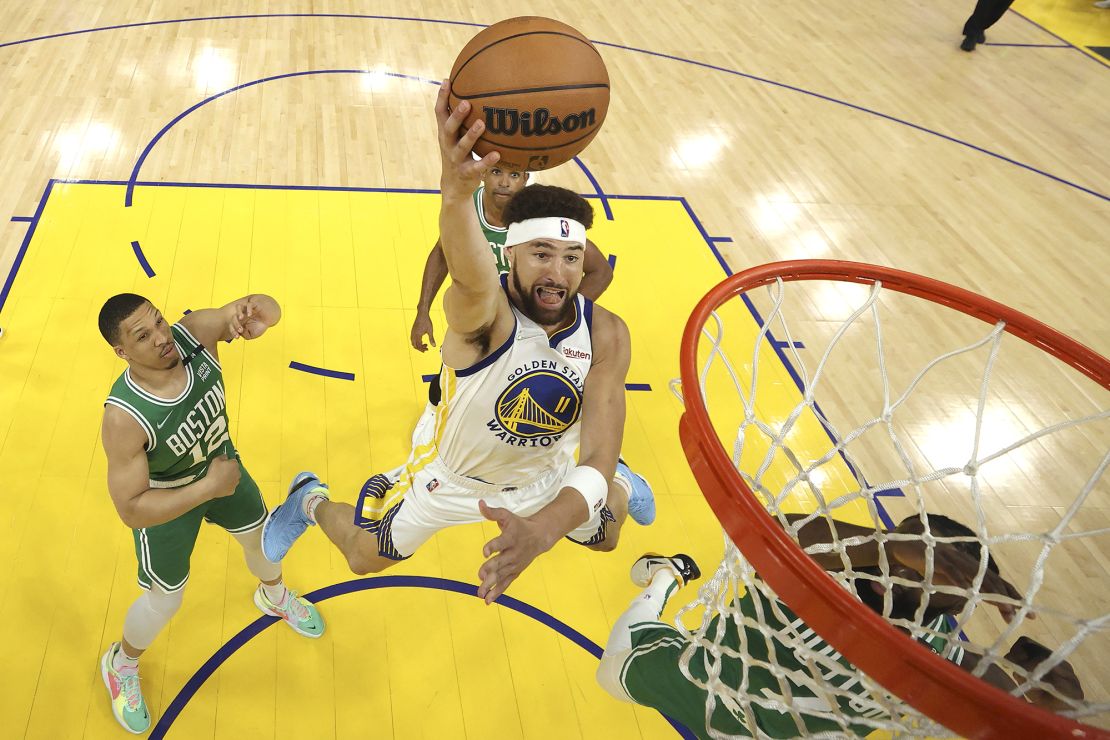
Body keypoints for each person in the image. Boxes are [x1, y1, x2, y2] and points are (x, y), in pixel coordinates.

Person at [262, 82, 654, 604]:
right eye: (541, 254)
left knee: (604, 535)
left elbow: (599, 454)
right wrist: (453, 194)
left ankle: (627, 485)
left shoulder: (606, 332)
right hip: (453, 479)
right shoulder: (484, 317)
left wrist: (542, 530)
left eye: (570, 258)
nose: (558, 274)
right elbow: (467, 274)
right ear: (509, 253)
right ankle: (308, 501)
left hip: (545, 472)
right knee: (361, 558)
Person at [597, 514, 1085, 737]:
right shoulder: (814, 576)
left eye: (940, 570)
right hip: (701, 682)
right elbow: (770, 529)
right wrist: (879, 544)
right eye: (912, 552)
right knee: (609, 673)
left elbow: (983, 683)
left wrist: (1045, 700)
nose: (913, 570)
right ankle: (667, 575)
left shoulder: (931, 644)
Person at [97, 293, 324, 734]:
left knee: (265, 541)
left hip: (220, 467)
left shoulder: (194, 333)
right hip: (167, 501)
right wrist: (206, 489)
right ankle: (120, 662)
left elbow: (267, 308)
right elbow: (131, 509)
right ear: (122, 352)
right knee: (166, 600)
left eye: (159, 322)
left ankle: (272, 596)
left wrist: (258, 314)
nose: (162, 338)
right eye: (143, 337)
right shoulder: (123, 418)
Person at [409, 164, 613, 355]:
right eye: (497, 172)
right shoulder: (466, 208)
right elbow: (442, 252)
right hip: (477, 316)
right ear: (483, 174)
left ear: (524, 178)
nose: (504, 183)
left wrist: (565, 314)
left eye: (514, 175)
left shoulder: (538, 217)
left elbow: (601, 271)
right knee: (456, 376)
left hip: (526, 319)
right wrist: (423, 311)